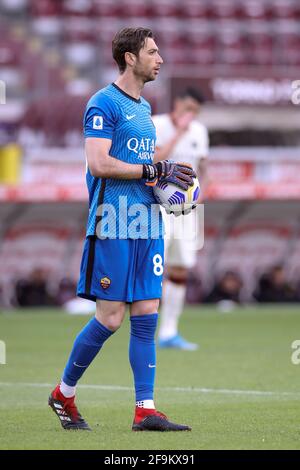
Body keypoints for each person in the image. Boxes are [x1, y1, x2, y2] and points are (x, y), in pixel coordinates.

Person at [48, 27, 195, 432]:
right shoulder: (102, 104)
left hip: (148, 223)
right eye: (152, 51)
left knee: (147, 314)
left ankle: (145, 410)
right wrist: (152, 169)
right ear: (130, 57)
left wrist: (169, 192)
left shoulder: (145, 110)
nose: (160, 58)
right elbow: (99, 164)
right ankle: (64, 393)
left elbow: (145, 172)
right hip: (112, 222)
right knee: (111, 319)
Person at [152, 88, 209, 350]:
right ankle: (144, 329)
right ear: (177, 103)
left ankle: (169, 332)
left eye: (195, 111)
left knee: (180, 269)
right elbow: (155, 160)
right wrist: (179, 133)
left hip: (187, 211)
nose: (191, 115)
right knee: (153, 268)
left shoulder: (200, 132)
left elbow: (203, 168)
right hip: (158, 208)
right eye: (188, 108)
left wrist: (199, 196)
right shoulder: (157, 124)